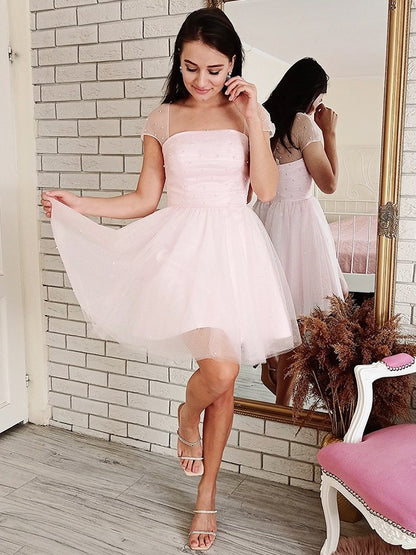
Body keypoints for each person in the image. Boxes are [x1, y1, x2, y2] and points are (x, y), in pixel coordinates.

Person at [41, 8, 300, 552]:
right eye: (190, 68)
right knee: (221, 370)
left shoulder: (249, 115)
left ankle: (206, 492)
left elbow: (267, 191)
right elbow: (145, 198)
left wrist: (253, 114)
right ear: (177, 63)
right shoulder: (163, 118)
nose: (201, 80)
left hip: (236, 255)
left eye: (214, 69)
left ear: (234, 64)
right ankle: (187, 414)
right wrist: (79, 204)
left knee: (223, 379)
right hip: (182, 255)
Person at [253, 57, 348, 406]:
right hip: (299, 227)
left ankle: (270, 375)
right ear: (312, 95)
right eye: (320, 97)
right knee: (298, 320)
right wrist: (330, 133)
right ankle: (282, 405)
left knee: (274, 308)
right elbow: (329, 184)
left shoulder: (263, 119)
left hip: (266, 220)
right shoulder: (303, 124)